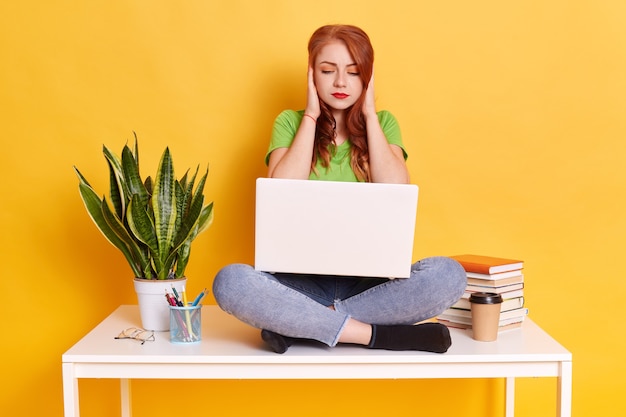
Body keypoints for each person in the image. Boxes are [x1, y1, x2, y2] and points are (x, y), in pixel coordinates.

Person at [213, 24, 466, 354]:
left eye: (354, 71)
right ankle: (377, 336)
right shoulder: (290, 122)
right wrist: (311, 115)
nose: (341, 83)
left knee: (449, 276)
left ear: (368, 77)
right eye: (327, 71)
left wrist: (371, 114)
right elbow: (281, 190)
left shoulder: (384, 123)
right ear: (311, 75)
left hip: (371, 288)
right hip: (298, 284)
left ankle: (301, 327)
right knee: (230, 281)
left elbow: (395, 187)